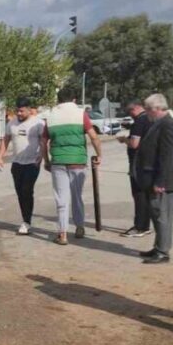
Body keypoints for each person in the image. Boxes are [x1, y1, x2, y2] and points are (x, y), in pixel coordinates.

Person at [41, 88, 102, 246]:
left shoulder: (51, 117)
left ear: (59, 100)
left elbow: (43, 142)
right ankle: (80, 227)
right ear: (74, 99)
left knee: (61, 199)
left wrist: (46, 160)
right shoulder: (81, 114)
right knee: (77, 196)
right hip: (78, 162)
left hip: (58, 162)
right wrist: (99, 155)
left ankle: (62, 234)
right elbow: (94, 136)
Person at [134, 93, 173, 264]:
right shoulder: (159, 123)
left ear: (157, 109)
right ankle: (158, 246)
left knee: (162, 215)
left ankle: (163, 251)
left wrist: (161, 181)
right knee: (156, 214)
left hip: (162, 181)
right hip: (153, 178)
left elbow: (168, 156)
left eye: (148, 109)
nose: (146, 112)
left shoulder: (167, 125)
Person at [0, 97, 44, 235]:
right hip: (17, 163)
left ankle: (27, 221)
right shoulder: (12, 123)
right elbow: (5, 140)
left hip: (32, 163)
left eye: (22, 111)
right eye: (17, 111)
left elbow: (43, 141)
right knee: (20, 192)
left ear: (29, 110)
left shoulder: (38, 123)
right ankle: (25, 218)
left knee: (26, 190)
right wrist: (0, 157)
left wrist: (41, 155)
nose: (19, 114)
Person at [119, 101, 152, 238]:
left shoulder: (139, 121)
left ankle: (140, 226)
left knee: (139, 195)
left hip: (138, 163)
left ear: (135, 109)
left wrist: (123, 140)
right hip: (149, 162)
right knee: (145, 195)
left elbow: (134, 144)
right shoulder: (151, 119)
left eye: (130, 113)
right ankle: (145, 225)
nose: (130, 116)